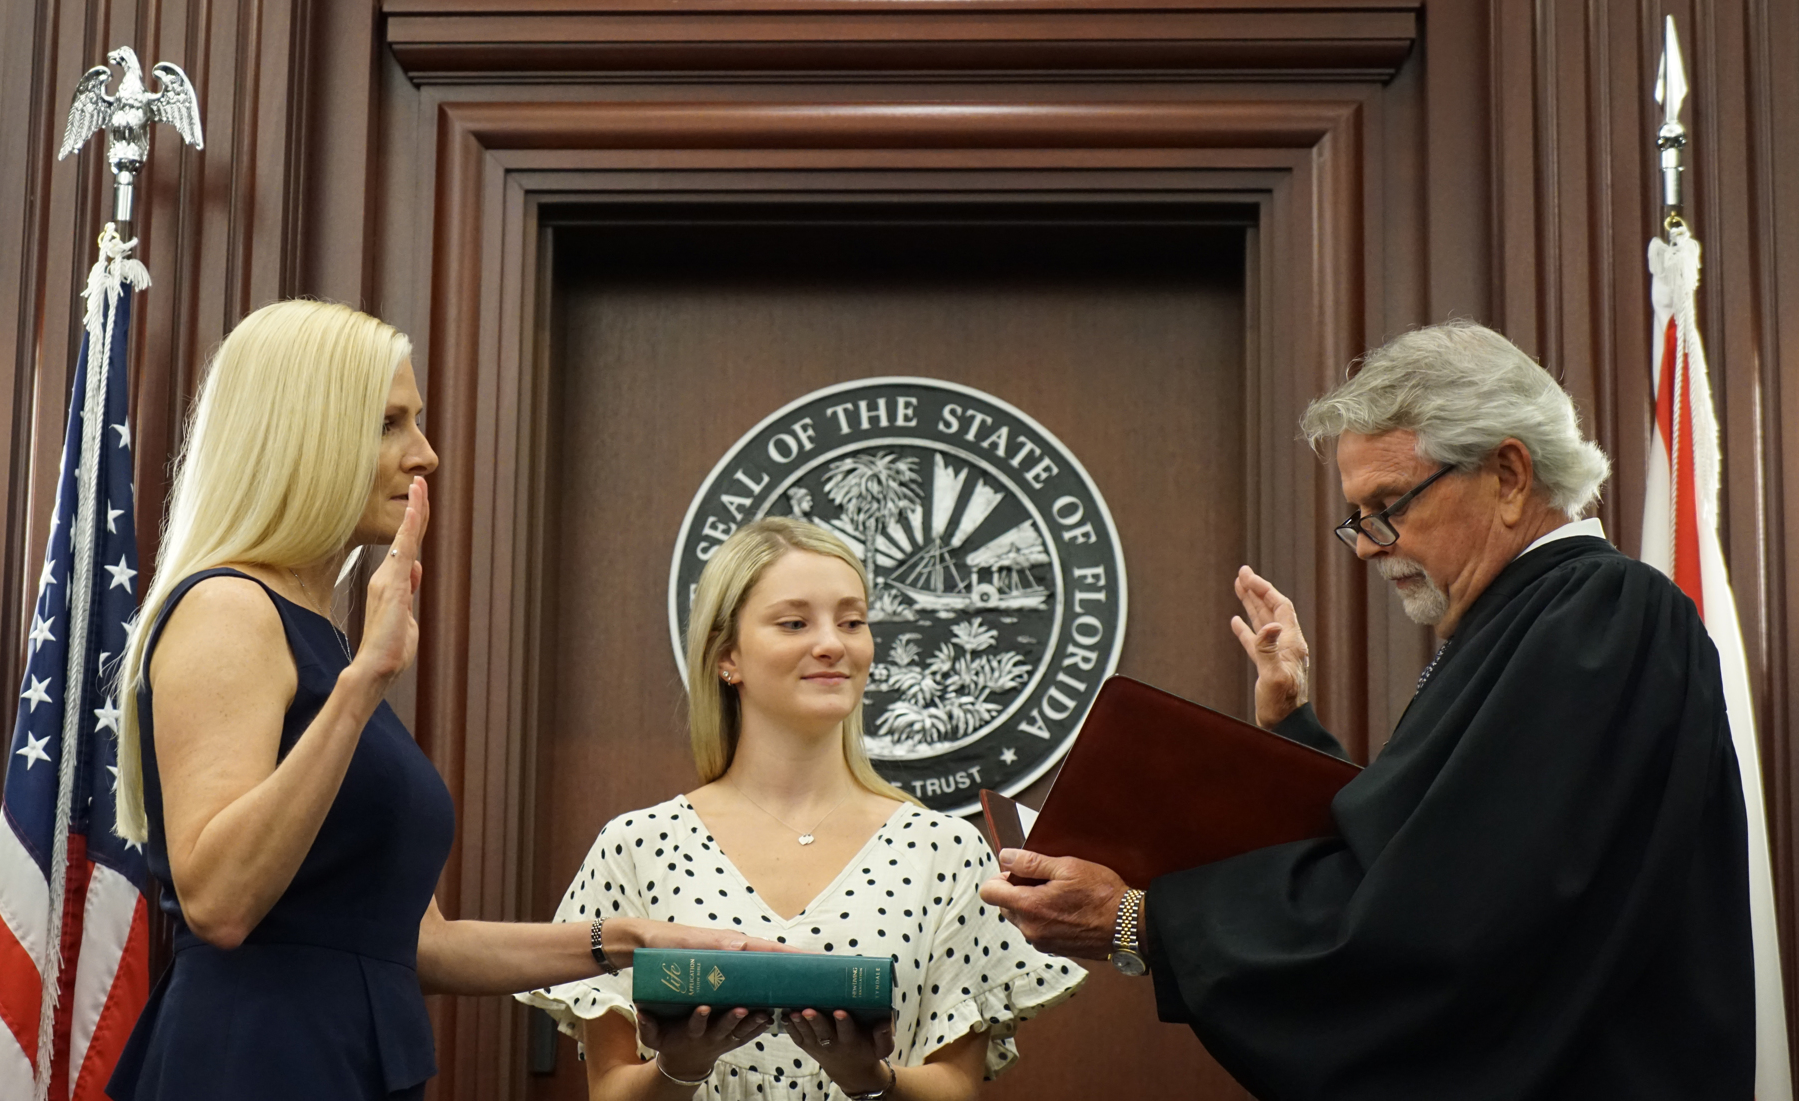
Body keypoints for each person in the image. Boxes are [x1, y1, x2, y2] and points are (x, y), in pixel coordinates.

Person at [980, 320, 1753, 1100]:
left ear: (1510, 474)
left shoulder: (1602, 615)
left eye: (1388, 504)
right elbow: (1424, 852)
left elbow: (1446, 922)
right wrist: (1293, 730)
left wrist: (1142, 920)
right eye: (1358, 516)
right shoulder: (1532, 623)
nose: (1366, 545)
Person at [105, 301, 785, 1101]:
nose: (423, 453)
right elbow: (219, 901)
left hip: (351, 1059)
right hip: (255, 1060)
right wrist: (365, 682)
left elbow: (424, 942)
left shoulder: (317, 634)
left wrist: (630, 941)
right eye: (390, 422)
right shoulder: (229, 607)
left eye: (416, 421)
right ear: (302, 432)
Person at [520, 517, 1084, 1101]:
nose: (833, 644)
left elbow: (955, 1089)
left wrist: (872, 1078)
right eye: (795, 622)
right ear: (725, 657)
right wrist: (679, 1067)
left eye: (852, 621)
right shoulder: (636, 846)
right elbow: (608, 1092)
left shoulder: (946, 850)